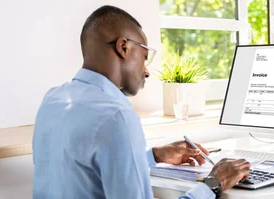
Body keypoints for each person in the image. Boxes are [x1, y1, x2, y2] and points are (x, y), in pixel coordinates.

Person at [32, 5, 250, 199]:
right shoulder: (116, 116)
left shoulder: (54, 99)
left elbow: (86, 169)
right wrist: (213, 184)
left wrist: (153, 155)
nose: (146, 71)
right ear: (123, 47)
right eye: (145, 57)